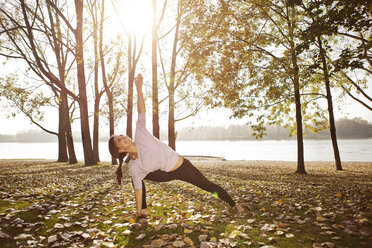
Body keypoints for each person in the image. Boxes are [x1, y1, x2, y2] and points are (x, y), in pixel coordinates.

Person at [109, 73, 243, 217]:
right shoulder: (134, 166)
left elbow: (141, 111)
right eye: (119, 140)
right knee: (137, 176)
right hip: (164, 174)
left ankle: (234, 204)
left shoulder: (140, 134)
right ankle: (143, 211)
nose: (123, 137)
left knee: (207, 185)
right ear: (120, 150)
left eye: (121, 135)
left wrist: (139, 88)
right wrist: (138, 210)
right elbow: (138, 189)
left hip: (182, 166)